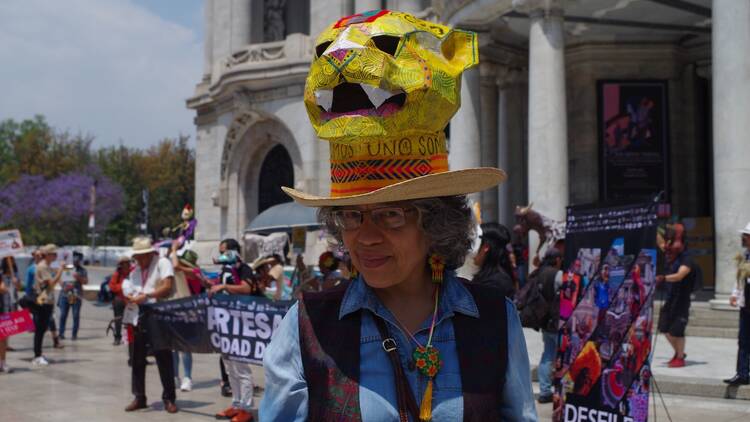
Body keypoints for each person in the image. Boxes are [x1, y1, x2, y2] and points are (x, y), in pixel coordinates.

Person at [260, 10, 536, 421]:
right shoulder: (307, 326)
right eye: (352, 216)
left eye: (390, 215)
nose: (365, 236)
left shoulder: (496, 318)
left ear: (436, 224)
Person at [122, 236, 178, 413]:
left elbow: (167, 286)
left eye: (140, 256)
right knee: (137, 358)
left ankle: (169, 398)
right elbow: (132, 289)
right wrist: (131, 297)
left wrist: (146, 296)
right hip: (139, 315)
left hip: (158, 314)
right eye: (136, 256)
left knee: (163, 357)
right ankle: (139, 397)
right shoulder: (135, 271)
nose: (137, 259)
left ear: (148, 254)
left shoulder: (163, 263)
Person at [211, 238, 261, 422]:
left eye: (224, 251)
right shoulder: (225, 270)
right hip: (225, 325)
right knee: (230, 368)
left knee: (241, 368)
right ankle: (237, 403)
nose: (221, 255)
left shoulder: (244, 268)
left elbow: (246, 288)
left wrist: (224, 286)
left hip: (240, 325)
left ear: (233, 251)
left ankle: (247, 408)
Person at [656, 222, 695, 368]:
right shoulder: (670, 253)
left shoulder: (687, 258)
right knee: (664, 328)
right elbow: (660, 242)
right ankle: (679, 352)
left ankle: (679, 357)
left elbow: (680, 275)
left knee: (676, 331)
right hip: (670, 297)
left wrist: (663, 278)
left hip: (682, 299)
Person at [170, 243, 205, 393]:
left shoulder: (195, 271)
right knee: (173, 347)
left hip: (189, 312)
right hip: (176, 310)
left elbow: (176, 266)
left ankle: (188, 377)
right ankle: (175, 376)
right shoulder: (180, 272)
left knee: (185, 347)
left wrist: (173, 250)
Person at [535, 249, 563, 403]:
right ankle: (559, 390)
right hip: (557, 321)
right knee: (560, 356)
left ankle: (545, 391)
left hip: (545, 320)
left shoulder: (540, 272)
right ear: (557, 259)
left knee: (547, 355)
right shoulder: (557, 274)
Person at [724, 222, 750, 385]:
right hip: (746, 304)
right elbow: (740, 278)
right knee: (743, 339)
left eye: (745, 236)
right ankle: (742, 373)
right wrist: (735, 294)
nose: (743, 238)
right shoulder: (746, 255)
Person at [32, 244, 63, 366]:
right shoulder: (43, 266)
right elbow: (51, 284)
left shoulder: (47, 266)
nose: (55, 256)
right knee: (40, 329)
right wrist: (60, 271)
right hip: (43, 300)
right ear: (48, 255)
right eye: (54, 254)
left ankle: (39, 353)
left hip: (47, 300)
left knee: (43, 328)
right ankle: (37, 355)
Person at [472, 222, 517, 298]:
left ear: (486, 247)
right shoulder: (492, 278)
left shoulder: (494, 284)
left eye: (475, 243)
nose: (471, 248)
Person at [58, 251, 88, 340]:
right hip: (65, 294)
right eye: (74, 258)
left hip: (76, 295)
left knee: (75, 315)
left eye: (78, 259)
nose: (76, 261)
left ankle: (74, 334)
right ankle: (61, 333)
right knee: (63, 315)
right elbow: (59, 278)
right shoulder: (66, 268)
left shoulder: (82, 270)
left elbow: (86, 281)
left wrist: (78, 277)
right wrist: (63, 286)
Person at [108, 255, 132, 346]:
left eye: (127, 263)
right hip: (119, 299)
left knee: (131, 320)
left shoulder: (132, 273)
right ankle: (117, 337)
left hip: (130, 299)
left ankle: (130, 338)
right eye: (123, 263)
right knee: (118, 319)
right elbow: (112, 286)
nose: (125, 265)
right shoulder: (117, 274)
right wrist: (123, 286)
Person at [0, 264, 13, 373]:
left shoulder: (1, 274)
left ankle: (2, 362)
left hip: (2, 309)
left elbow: (3, 289)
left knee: (3, 337)